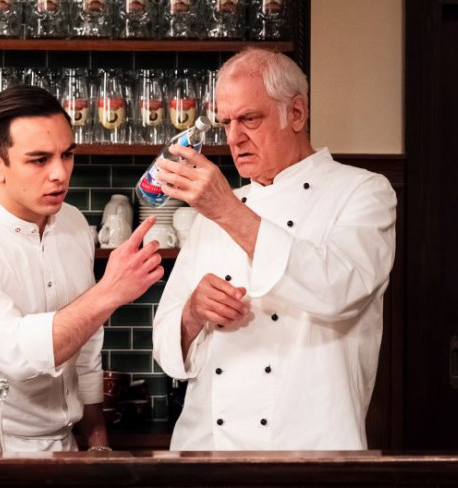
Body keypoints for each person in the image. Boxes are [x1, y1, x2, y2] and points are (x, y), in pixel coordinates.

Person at [152, 48, 397, 450]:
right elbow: (164, 347)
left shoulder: (363, 192)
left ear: (296, 113)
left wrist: (227, 210)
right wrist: (193, 313)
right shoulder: (217, 208)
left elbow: (337, 291)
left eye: (249, 118)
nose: (234, 138)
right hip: (207, 449)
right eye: (226, 122)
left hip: (310, 448)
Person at [0, 85, 163, 452]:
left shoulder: (74, 224)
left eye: (67, 155)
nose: (59, 173)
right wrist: (109, 292)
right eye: (39, 160)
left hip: (64, 447)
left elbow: (86, 345)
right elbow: (18, 355)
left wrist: (97, 443)